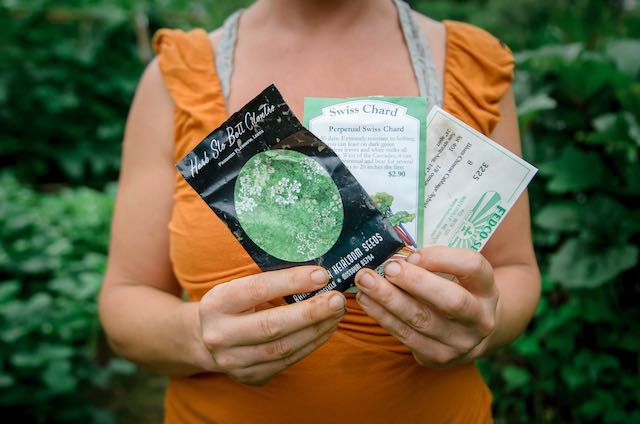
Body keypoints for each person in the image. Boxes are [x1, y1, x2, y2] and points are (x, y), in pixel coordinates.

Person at [99, 0, 541, 422]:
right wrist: (196, 337)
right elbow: (125, 299)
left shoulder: (471, 66)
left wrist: (483, 323)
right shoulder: (176, 77)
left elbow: (515, 270)